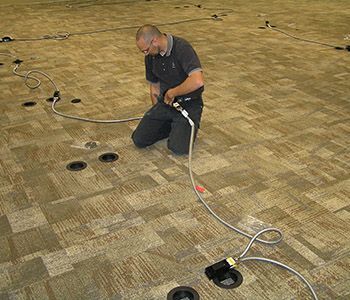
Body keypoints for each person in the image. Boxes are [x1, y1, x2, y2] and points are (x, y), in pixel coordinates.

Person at [131, 24, 204, 155]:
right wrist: (157, 113)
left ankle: (185, 125)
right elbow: (154, 86)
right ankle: (174, 125)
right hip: (166, 104)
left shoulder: (182, 48)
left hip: (189, 103)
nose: (145, 54)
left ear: (154, 41)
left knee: (179, 148)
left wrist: (173, 92)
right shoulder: (150, 57)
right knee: (139, 139)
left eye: (146, 50)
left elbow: (197, 81)